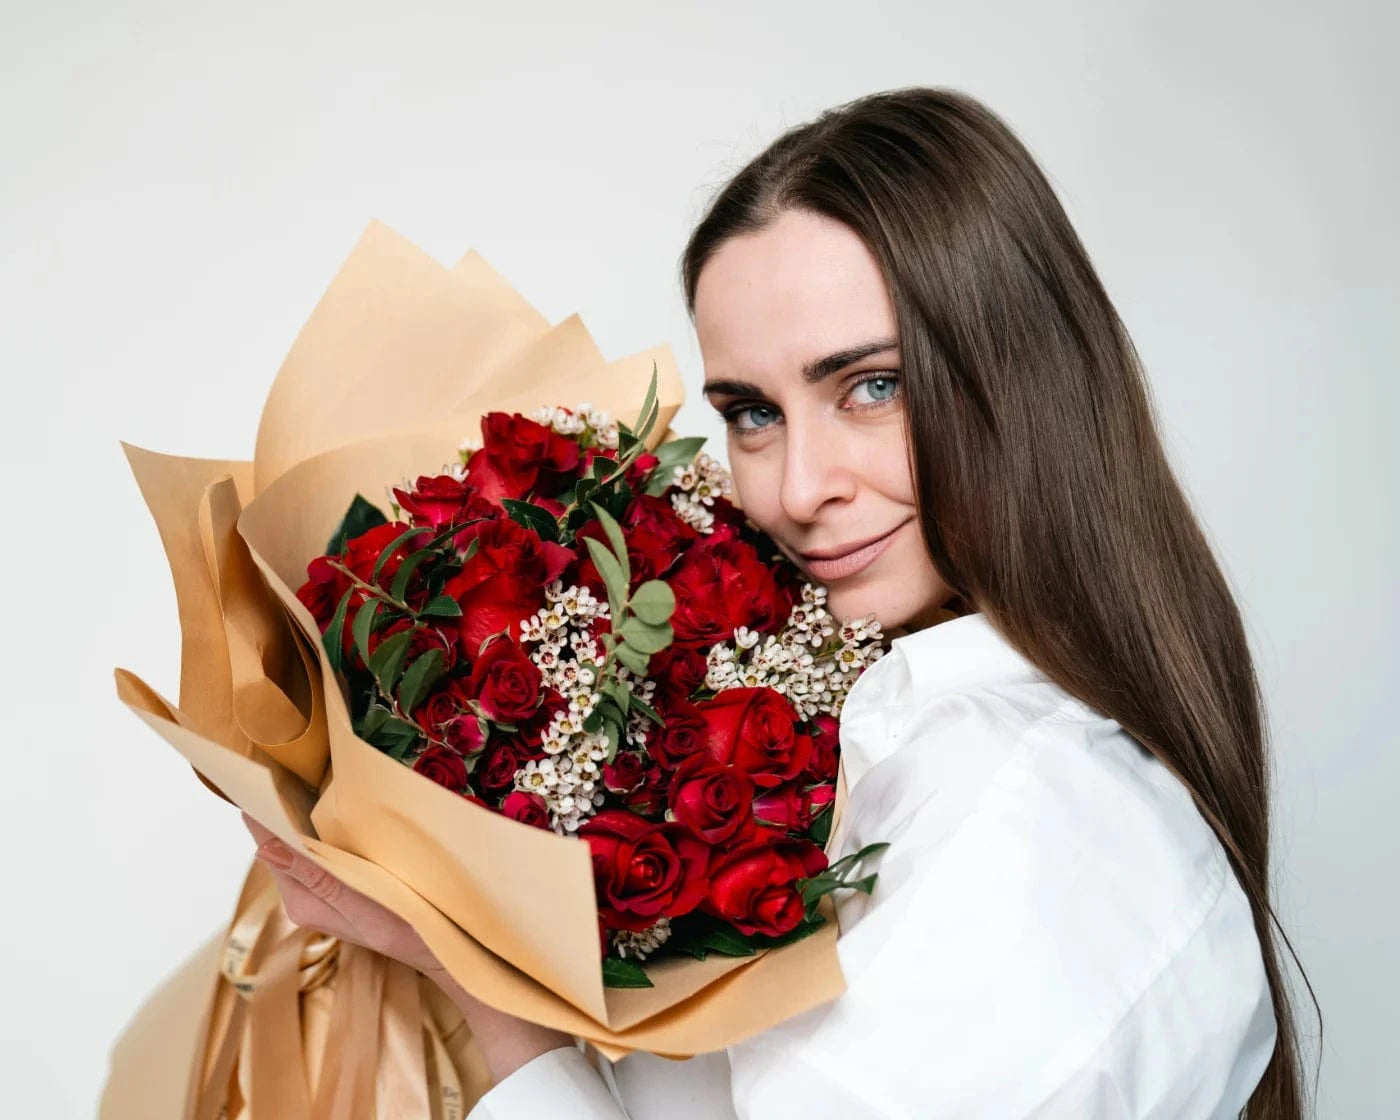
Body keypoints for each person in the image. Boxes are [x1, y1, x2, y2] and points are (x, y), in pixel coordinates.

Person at [243, 87, 1317, 1117]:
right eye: (752, 412)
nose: (796, 490)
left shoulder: (1036, 821)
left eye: (872, 386)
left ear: (1024, 375)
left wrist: (479, 990)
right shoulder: (884, 743)